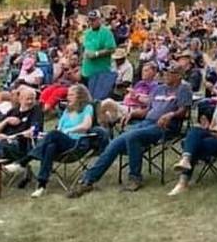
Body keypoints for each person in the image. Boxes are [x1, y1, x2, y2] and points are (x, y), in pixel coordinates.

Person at [68, 64, 192, 197]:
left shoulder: (183, 89)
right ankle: (88, 180)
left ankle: (135, 178)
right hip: (146, 123)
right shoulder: (159, 89)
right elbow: (147, 111)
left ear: (179, 76)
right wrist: (132, 114)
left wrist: (171, 115)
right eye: (166, 72)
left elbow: (183, 111)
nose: (166, 75)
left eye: (171, 73)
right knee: (115, 143)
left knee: (132, 136)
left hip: (165, 127)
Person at [7, 85, 95, 198]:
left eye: (71, 95)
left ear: (80, 96)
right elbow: (59, 129)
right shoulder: (67, 110)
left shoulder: (87, 108)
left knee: (53, 134)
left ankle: (23, 162)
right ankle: (41, 186)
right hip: (61, 142)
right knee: (50, 146)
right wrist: (49, 135)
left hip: (76, 142)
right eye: (68, 95)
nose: (68, 97)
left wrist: (69, 130)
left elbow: (86, 125)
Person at [169, 78, 217, 196]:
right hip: (214, 133)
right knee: (195, 130)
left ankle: (183, 181)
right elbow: (213, 125)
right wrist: (207, 126)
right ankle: (186, 159)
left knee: (194, 145)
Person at [0, 87, 44, 183]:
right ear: (20, 99)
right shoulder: (13, 111)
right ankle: (22, 166)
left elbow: (32, 131)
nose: (31, 101)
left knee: (2, 143)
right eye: (28, 99)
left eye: (33, 98)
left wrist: (8, 137)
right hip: (4, 142)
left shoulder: (36, 110)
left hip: (21, 144)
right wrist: (6, 121)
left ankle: (21, 165)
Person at [98, 61, 159, 127]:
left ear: (154, 72)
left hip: (133, 109)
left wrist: (136, 96)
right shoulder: (140, 83)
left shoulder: (155, 87)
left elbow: (150, 102)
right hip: (124, 105)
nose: (143, 73)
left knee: (108, 102)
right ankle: (104, 132)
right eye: (143, 70)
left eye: (146, 71)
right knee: (104, 112)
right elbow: (130, 95)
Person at [81, 10, 117, 82]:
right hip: (87, 70)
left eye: (93, 20)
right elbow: (84, 47)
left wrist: (97, 54)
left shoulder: (106, 32)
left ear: (99, 19)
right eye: (90, 20)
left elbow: (112, 49)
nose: (91, 22)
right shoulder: (87, 33)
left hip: (100, 72)